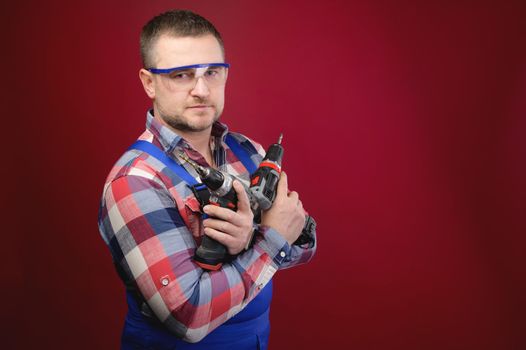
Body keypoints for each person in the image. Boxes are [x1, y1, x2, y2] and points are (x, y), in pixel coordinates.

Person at [98, 9, 317, 350]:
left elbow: (304, 244)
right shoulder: (135, 181)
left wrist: (252, 237)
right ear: (148, 82)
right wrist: (270, 238)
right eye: (181, 75)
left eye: (212, 72)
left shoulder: (249, 152)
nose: (201, 90)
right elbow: (190, 315)